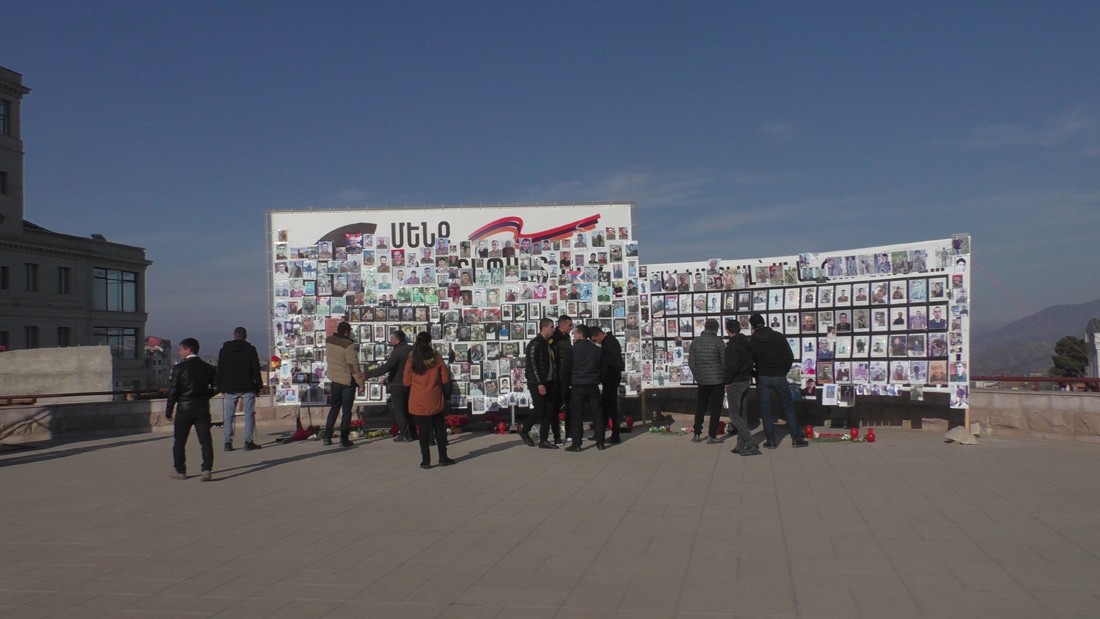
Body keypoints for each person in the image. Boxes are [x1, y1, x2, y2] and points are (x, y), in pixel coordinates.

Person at [748, 313, 808, 448]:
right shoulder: (778, 336)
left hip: (763, 376)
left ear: (752, 326)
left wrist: (755, 374)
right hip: (779, 375)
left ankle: (770, 441)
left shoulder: (753, 341)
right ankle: (796, 438)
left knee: (765, 409)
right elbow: (789, 356)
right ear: (764, 322)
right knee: (788, 406)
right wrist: (783, 370)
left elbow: (748, 361)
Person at [166, 338, 218, 480]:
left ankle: (180, 470)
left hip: (184, 408)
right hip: (202, 407)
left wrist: (169, 411)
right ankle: (206, 470)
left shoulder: (179, 368)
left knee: (179, 441)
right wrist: (206, 395)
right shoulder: (208, 368)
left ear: (188, 350)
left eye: (181, 349)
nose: (179, 352)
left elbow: (173, 391)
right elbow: (218, 386)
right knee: (205, 441)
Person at [403, 332, 455, 469]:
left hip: (418, 400)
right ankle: (443, 457)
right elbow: (445, 379)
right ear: (430, 342)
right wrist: (446, 394)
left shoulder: (412, 359)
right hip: (435, 398)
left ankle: (425, 460)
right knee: (439, 429)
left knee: (423, 431)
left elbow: (406, 382)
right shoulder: (436, 358)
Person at [216, 327, 264, 452]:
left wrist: (220, 386)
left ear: (234, 335)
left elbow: (220, 369)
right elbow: (255, 369)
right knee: (249, 415)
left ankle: (228, 442)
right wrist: (259, 386)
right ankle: (248, 441)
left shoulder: (224, 350)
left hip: (230, 387)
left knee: (229, 416)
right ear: (245, 336)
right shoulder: (250, 349)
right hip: (247, 386)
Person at [363, 330, 415, 442]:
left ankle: (404, 434)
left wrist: (367, 374)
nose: (390, 340)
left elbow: (385, 368)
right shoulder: (412, 350)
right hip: (410, 383)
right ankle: (413, 433)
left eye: (392, 338)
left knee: (400, 411)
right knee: (409, 410)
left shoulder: (397, 352)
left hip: (397, 384)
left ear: (397, 340)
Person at [324, 321, 365, 447]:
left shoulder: (329, 341)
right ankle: (344, 439)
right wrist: (361, 383)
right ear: (347, 331)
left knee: (334, 408)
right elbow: (353, 366)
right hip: (347, 382)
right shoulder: (348, 345)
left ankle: (327, 437)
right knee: (347, 411)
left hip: (335, 380)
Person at [723, 319, 760, 456]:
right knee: (742, 414)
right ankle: (740, 444)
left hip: (735, 382)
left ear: (728, 330)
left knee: (734, 414)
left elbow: (732, 367)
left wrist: (726, 382)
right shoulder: (746, 343)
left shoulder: (732, 346)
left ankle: (750, 443)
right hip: (745, 380)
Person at [519, 318, 557, 449]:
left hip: (549, 380)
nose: (553, 329)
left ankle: (544, 440)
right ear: (544, 327)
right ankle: (524, 429)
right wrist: (540, 383)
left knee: (548, 411)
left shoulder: (548, 342)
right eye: (551, 327)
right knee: (539, 409)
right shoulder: (535, 343)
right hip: (537, 382)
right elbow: (533, 365)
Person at [687, 319, 726, 443]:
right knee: (716, 408)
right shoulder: (719, 342)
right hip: (718, 380)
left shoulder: (695, 342)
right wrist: (724, 376)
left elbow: (691, 362)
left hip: (702, 380)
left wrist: (697, 375)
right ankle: (712, 435)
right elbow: (724, 361)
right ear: (716, 329)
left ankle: (697, 433)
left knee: (701, 406)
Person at [566, 324, 603, 451]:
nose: (574, 336)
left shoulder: (573, 350)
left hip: (577, 385)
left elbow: (567, 368)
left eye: (575, 333)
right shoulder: (596, 349)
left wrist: (566, 383)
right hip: (593, 384)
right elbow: (601, 367)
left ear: (580, 334)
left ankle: (576, 443)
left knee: (577, 415)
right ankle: (600, 442)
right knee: (597, 413)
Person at [591, 326, 624, 445]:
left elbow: (612, 362)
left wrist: (603, 374)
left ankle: (612, 434)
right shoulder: (610, 341)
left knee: (609, 407)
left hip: (610, 378)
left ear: (599, 335)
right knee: (607, 407)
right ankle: (603, 433)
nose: (596, 343)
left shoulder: (609, 343)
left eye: (595, 340)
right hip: (611, 378)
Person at [549, 314, 574, 445]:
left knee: (570, 406)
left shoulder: (567, 337)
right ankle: (557, 436)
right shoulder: (554, 338)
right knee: (556, 408)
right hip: (558, 378)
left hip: (568, 377)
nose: (571, 327)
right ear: (562, 325)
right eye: (570, 325)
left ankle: (569, 433)